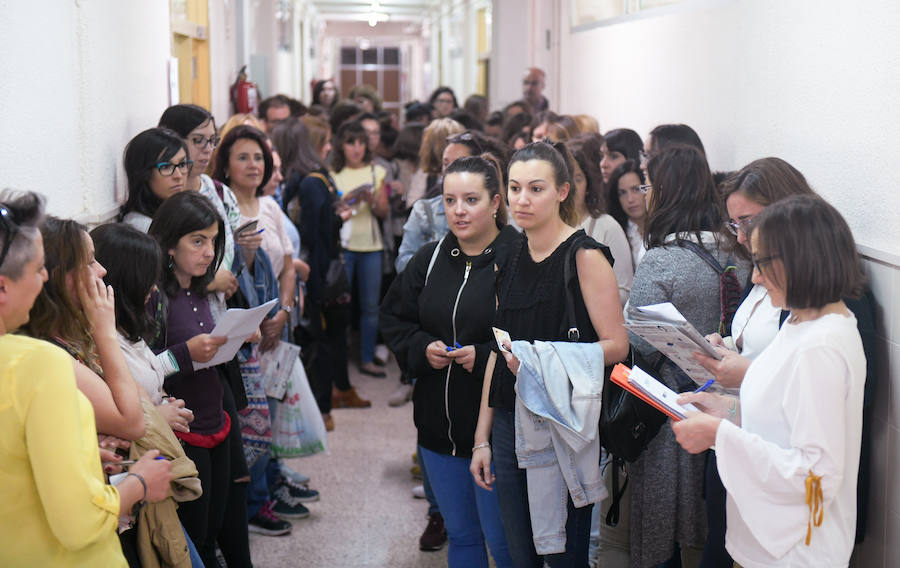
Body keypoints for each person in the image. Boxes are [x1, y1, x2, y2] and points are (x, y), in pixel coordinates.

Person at [673, 194, 866, 567]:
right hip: (770, 543)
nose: (756, 277)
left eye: (762, 263)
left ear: (801, 259)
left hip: (798, 550)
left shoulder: (821, 345)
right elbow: (787, 417)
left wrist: (719, 436)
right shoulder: (799, 321)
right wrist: (729, 410)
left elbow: (816, 475)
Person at [471, 141, 629, 567]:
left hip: (563, 420)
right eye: (516, 188)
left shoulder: (585, 256)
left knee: (563, 552)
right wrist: (481, 438)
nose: (523, 200)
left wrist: (542, 360)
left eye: (536, 189)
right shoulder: (507, 251)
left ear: (562, 191)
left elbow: (617, 344)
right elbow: (497, 348)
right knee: (518, 552)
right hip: (508, 417)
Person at [0, 189, 172, 567]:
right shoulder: (40, 361)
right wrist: (139, 483)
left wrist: (78, 450)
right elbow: (79, 522)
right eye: (36, 269)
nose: (41, 278)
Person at [381, 155, 518, 568]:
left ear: (495, 202)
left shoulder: (517, 257)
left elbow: (535, 341)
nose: (458, 210)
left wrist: (486, 355)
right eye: (450, 200)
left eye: (471, 199)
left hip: (497, 431)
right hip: (437, 427)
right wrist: (422, 348)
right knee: (461, 535)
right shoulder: (431, 257)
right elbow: (394, 318)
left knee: (503, 541)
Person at [624, 144, 750, 568]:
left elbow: (637, 340)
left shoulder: (661, 259)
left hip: (670, 406)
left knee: (665, 526)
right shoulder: (740, 251)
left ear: (666, 191)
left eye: (647, 184)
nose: (644, 193)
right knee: (716, 519)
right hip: (730, 404)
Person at [148, 191, 254, 568]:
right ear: (169, 245)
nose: (209, 252)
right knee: (194, 536)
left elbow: (205, 349)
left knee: (213, 529)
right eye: (198, 241)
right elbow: (142, 370)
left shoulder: (197, 289)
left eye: (212, 241)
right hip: (182, 428)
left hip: (215, 418)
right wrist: (188, 354)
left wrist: (236, 335)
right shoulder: (154, 297)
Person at [91, 222, 205, 567]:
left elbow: (148, 374)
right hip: (132, 486)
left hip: (153, 467)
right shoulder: (100, 341)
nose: (153, 288)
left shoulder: (127, 329)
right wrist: (159, 416)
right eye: (146, 278)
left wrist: (163, 405)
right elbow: (127, 417)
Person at [158, 103, 241, 301]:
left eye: (212, 140)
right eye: (198, 140)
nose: (208, 150)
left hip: (218, 308)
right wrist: (209, 282)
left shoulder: (221, 193)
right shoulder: (164, 201)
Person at [330, 120, 390, 378]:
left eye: (361, 143)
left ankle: (366, 358)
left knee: (370, 306)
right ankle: (339, 361)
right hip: (344, 245)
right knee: (340, 306)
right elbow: (330, 210)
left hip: (371, 245)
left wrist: (372, 200)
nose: (356, 148)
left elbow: (383, 212)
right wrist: (344, 201)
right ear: (341, 145)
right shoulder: (333, 173)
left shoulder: (377, 172)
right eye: (350, 143)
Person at [566, 134, 634, 304]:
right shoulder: (547, 227)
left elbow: (625, 291)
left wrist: (587, 296)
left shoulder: (607, 226)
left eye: (578, 179)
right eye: (565, 179)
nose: (571, 188)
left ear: (588, 184)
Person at [119, 127, 191, 232]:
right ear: (143, 173)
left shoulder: (178, 212)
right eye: (166, 167)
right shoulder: (141, 226)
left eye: (182, 164)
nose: (178, 175)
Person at [605, 159, 648, 268]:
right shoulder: (615, 233)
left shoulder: (664, 226)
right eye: (622, 193)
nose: (630, 199)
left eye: (635, 189)